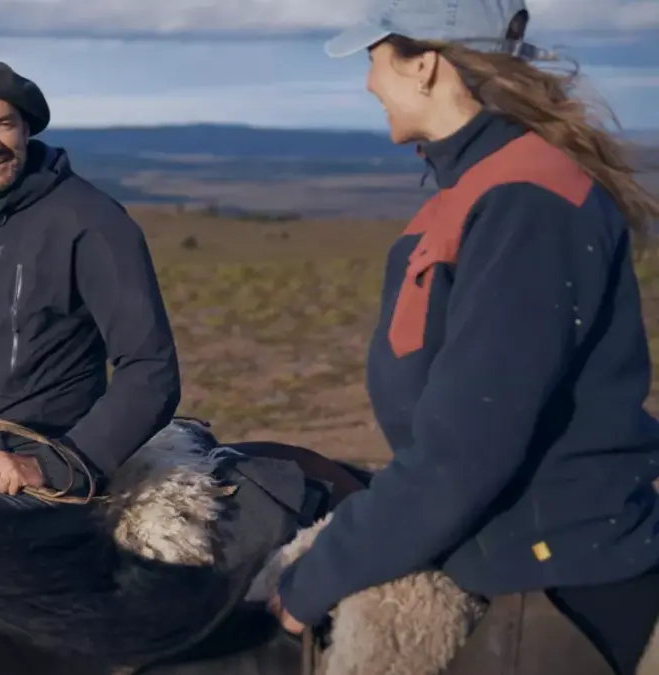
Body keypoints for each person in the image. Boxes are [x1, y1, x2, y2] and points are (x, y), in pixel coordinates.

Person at [266, 1, 659, 674]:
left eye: (374, 60)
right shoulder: (481, 188)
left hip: (552, 572)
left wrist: (308, 580)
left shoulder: (523, 203)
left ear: (424, 65)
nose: (367, 83)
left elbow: (468, 445)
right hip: (503, 555)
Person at [0, 56, 182, 502]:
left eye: (3, 125)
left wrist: (55, 464)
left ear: (26, 128)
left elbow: (151, 369)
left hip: (42, 465)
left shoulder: (90, 220)